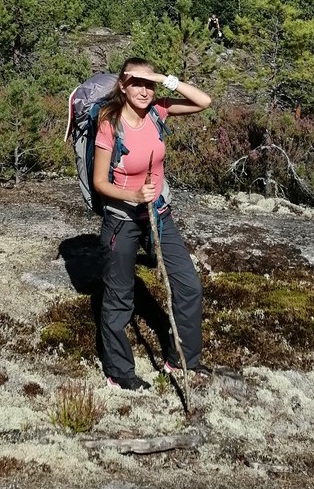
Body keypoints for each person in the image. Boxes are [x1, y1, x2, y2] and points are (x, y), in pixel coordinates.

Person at [93, 57, 211, 391]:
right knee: (119, 297)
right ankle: (118, 371)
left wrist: (163, 78)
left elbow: (204, 101)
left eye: (150, 84)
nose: (145, 91)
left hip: (159, 215)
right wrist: (131, 193)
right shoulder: (110, 123)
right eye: (137, 83)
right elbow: (100, 182)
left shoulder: (159, 111)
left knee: (188, 286)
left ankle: (182, 360)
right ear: (122, 85)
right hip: (122, 220)